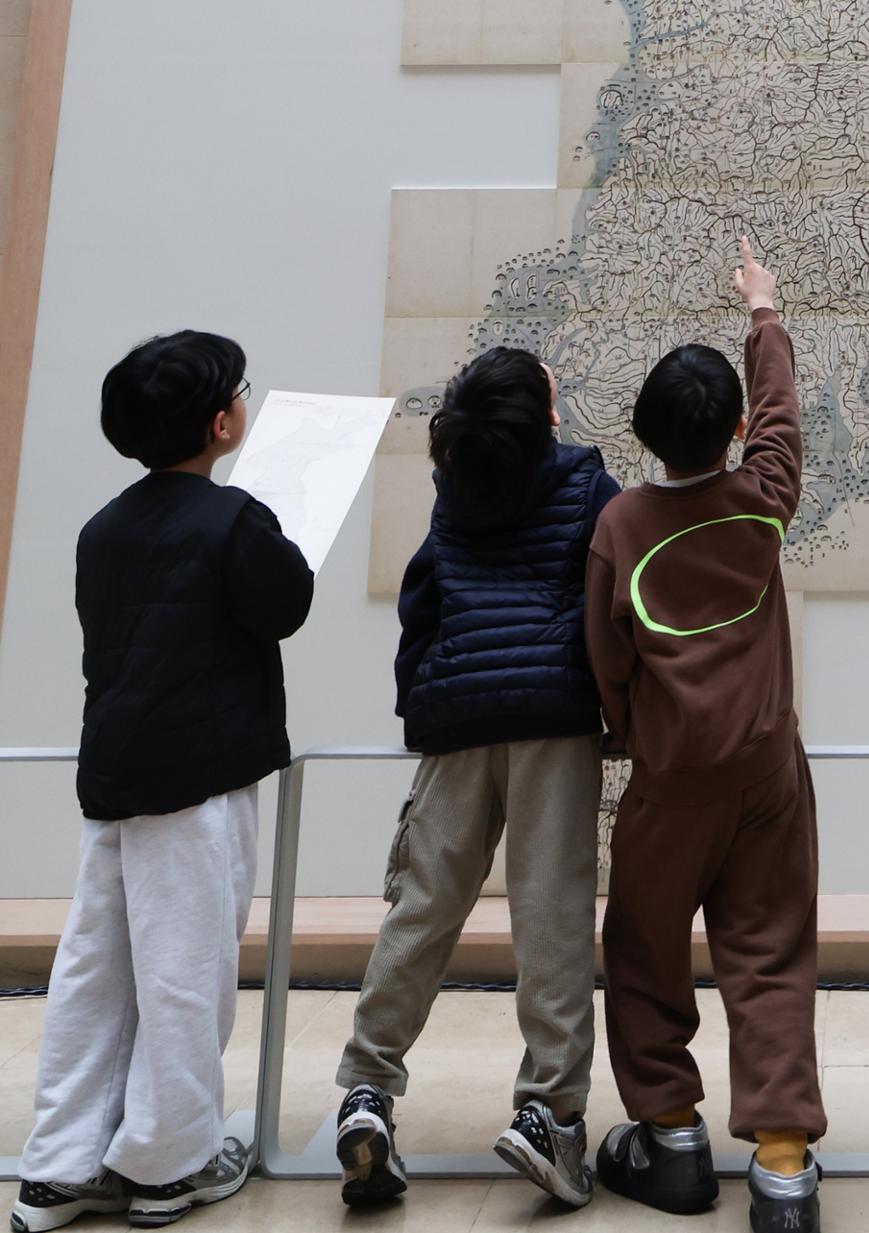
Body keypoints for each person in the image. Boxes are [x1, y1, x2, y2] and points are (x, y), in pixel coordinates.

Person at [10, 332, 313, 1233]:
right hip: (198, 784)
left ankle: (60, 1166)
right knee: (185, 976)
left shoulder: (103, 526)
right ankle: (167, 1165)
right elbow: (284, 604)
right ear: (223, 423)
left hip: (113, 771)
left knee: (94, 973)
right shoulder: (235, 519)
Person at [333, 346, 619, 1213]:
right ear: (545, 418)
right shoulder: (586, 487)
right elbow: (606, 606)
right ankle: (550, 1117)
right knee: (550, 918)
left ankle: (368, 1091)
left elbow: (422, 601)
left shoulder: (453, 488)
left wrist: (422, 702)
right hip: (553, 725)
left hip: (458, 719)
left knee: (422, 906)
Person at [587, 237, 822, 1233]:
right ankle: (779, 1165)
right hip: (768, 773)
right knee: (768, 951)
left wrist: (627, 725)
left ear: (645, 431)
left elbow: (606, 654)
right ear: (729, 428)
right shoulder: (760, 501)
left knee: (643, 948)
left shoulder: (623, 523)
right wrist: (762, 312)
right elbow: (781, 421)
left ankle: (672, 1133)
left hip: (670, 775)